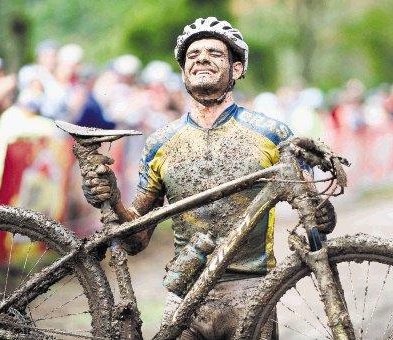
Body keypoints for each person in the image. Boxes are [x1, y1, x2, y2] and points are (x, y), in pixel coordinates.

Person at [79, 17, 336, 339]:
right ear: (184, 72)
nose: (201, 58)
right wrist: (113, 200)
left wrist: (323, 210)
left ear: (238, 69)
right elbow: (135, 240)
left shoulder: (272, 134)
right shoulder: (161, 141)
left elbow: (318, 221)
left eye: (215, 53)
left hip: (253, 292)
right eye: (192, 55)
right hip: (185, 294)